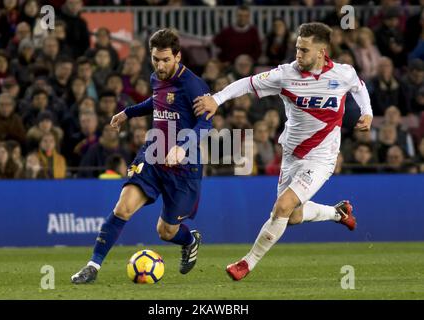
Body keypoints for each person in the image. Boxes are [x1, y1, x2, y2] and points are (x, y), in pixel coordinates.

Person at [193, 22, 373, 281]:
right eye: (297, 49)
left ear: (322, 52)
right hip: (292, 154)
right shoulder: (285, 74)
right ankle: (339, 212)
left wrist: (367, 112)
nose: (298, 55)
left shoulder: (343, 74)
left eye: (304, 50)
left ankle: (247, 263)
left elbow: (359, 87)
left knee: (282, 207)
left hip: (322, 156)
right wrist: (217, 99)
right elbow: (247, 83)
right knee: (293, 216)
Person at [71, 29, 212, 284]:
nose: (160, 65)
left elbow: (206, 123)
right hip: (154, 154)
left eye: (166, 59)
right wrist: (128, 112)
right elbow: (156, 102)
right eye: (155, 59)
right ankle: (92, 266)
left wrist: (182, 146)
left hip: (184, 167)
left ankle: (190, 240)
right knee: (122, 208)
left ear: (178, 57)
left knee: (165, 231)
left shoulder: (193, 85)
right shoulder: (156, 77)